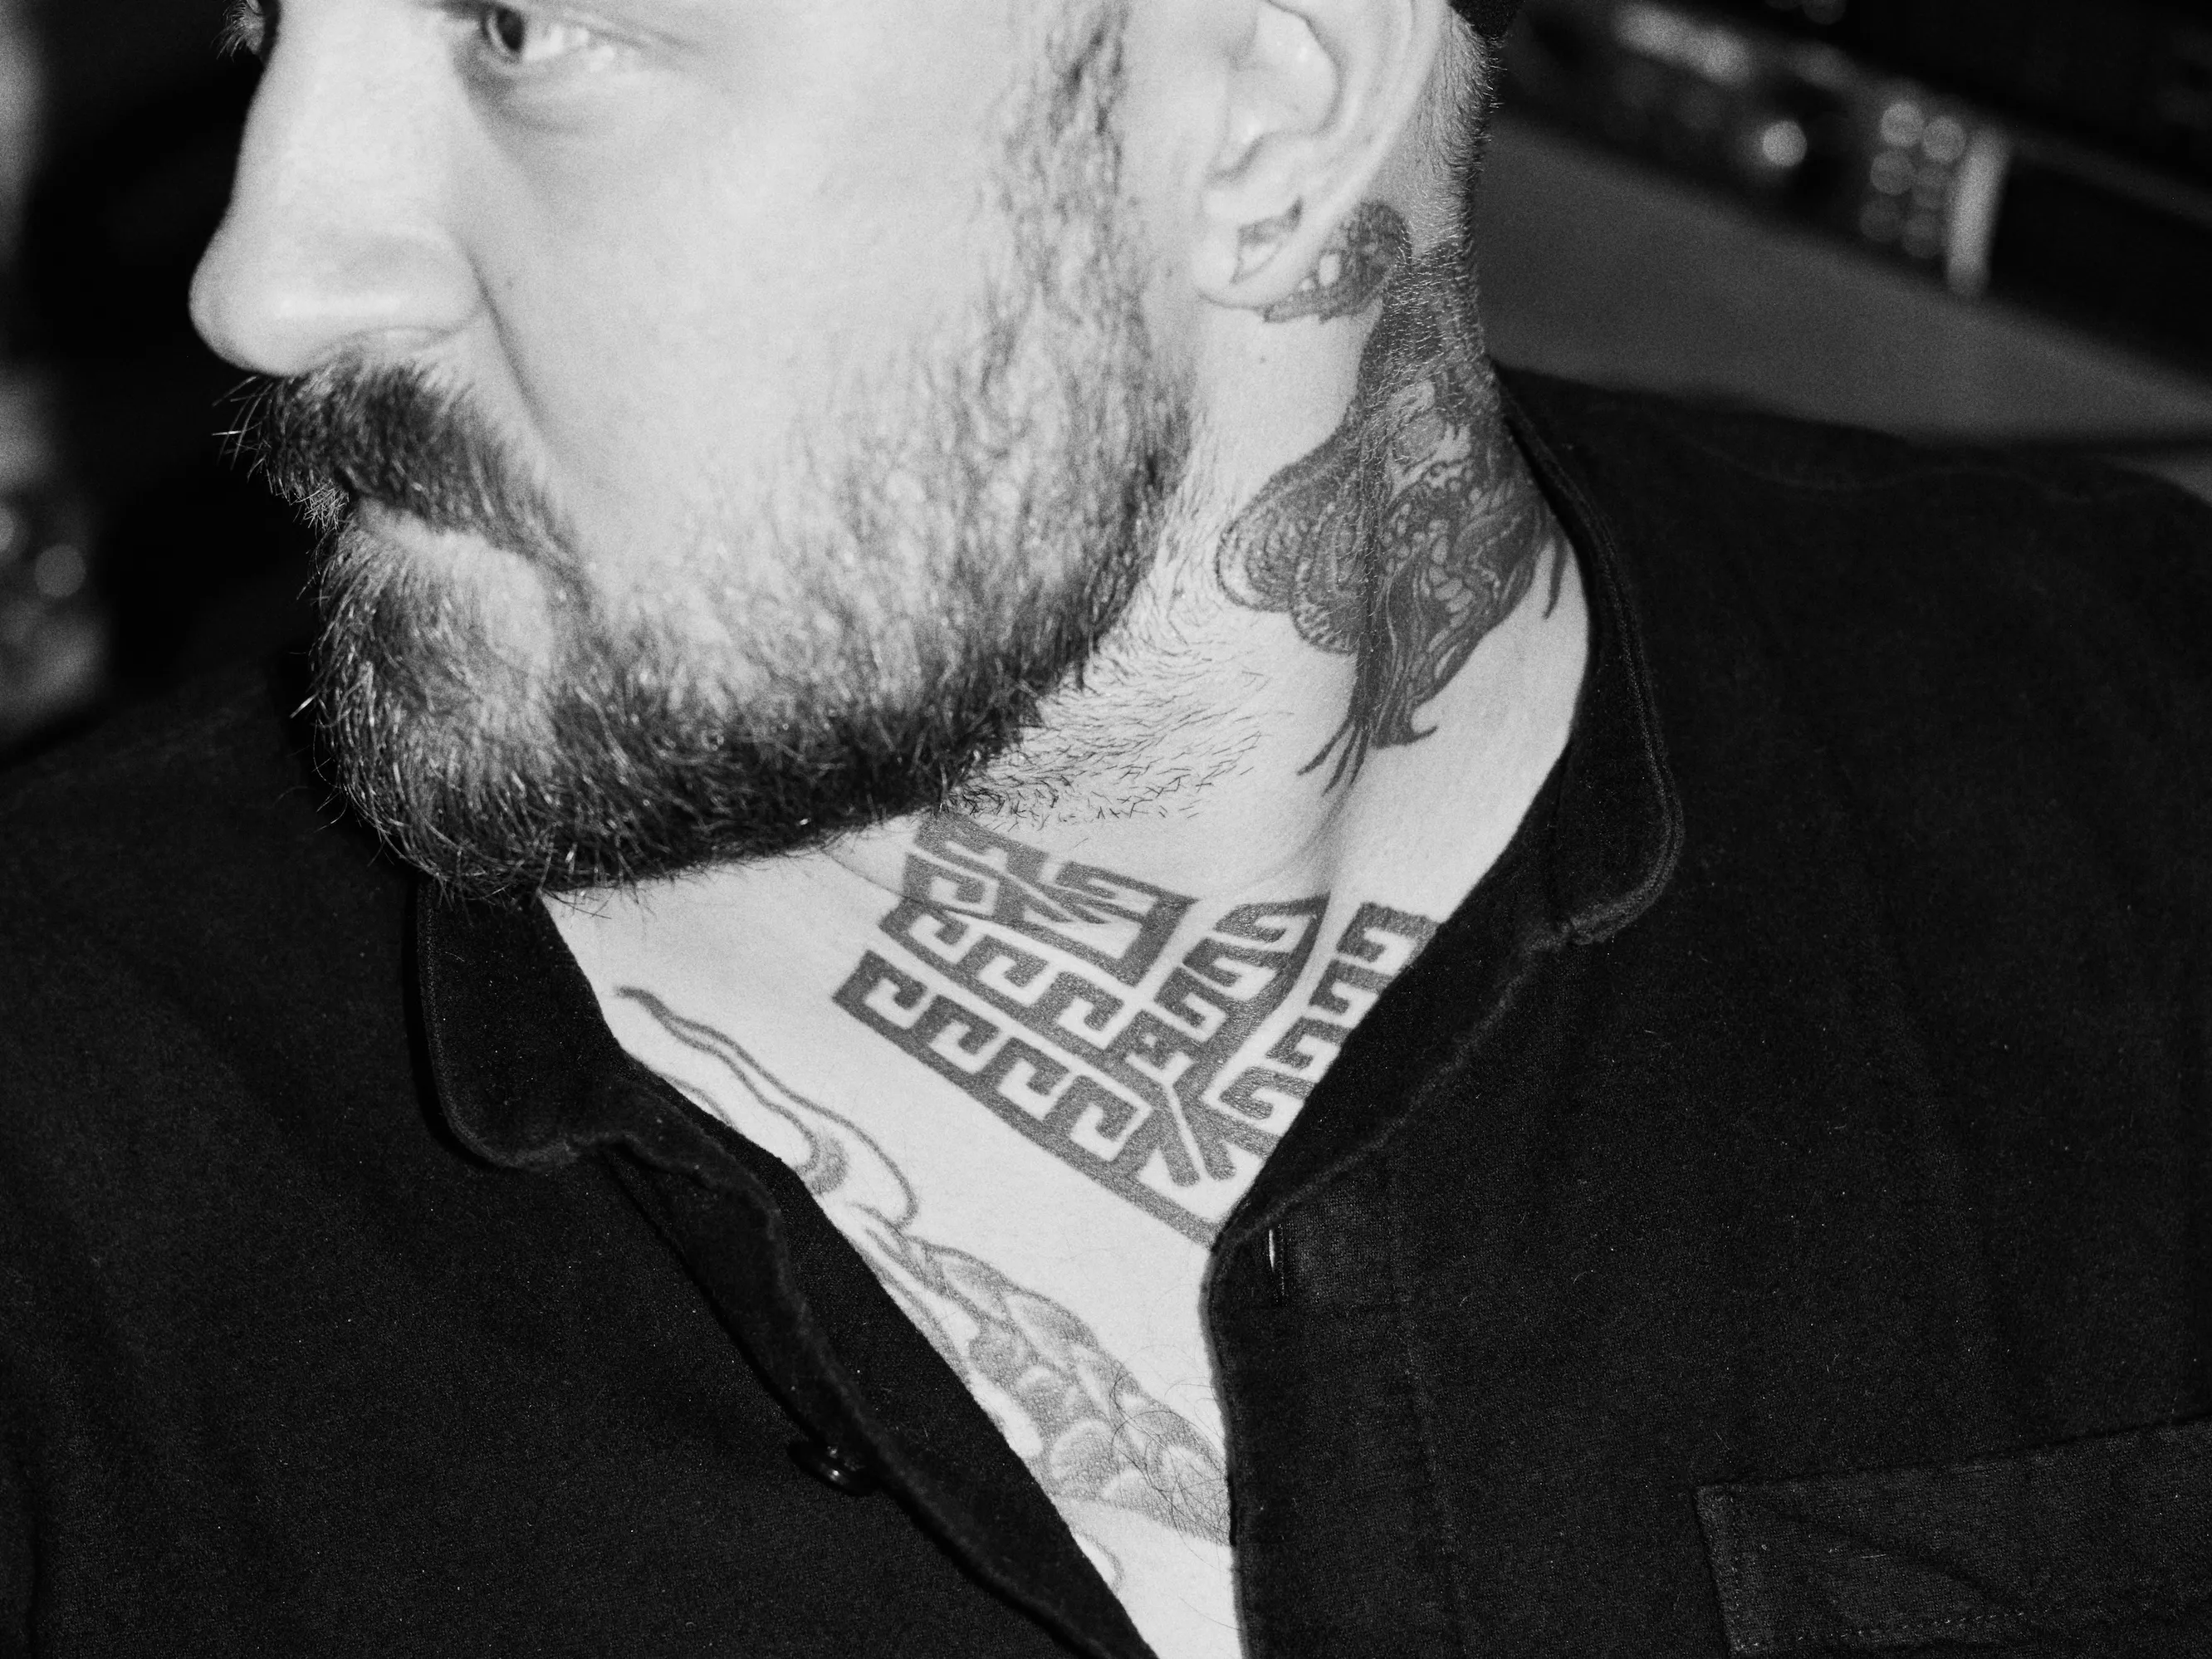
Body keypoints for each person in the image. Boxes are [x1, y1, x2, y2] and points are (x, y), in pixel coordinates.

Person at [4, 0, 2210, 1652]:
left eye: (520, 28)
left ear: (1268, 106)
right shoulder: (75, 1189)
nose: (263, 276)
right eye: (265, 16)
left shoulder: (2139, 773)